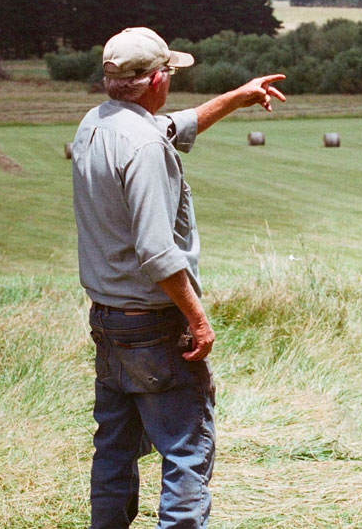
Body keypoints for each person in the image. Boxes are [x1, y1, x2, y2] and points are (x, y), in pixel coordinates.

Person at [71, 26, 286, 528]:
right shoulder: (144, 147)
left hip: (108, 320)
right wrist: (199, 319)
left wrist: (238, 97)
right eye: (168, 70)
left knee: (114, 452)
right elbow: (157, 251)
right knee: (186, 453)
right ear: (154, 80)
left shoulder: (95, 125)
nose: (171, 79)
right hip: (152, 324)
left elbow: (174, 126)